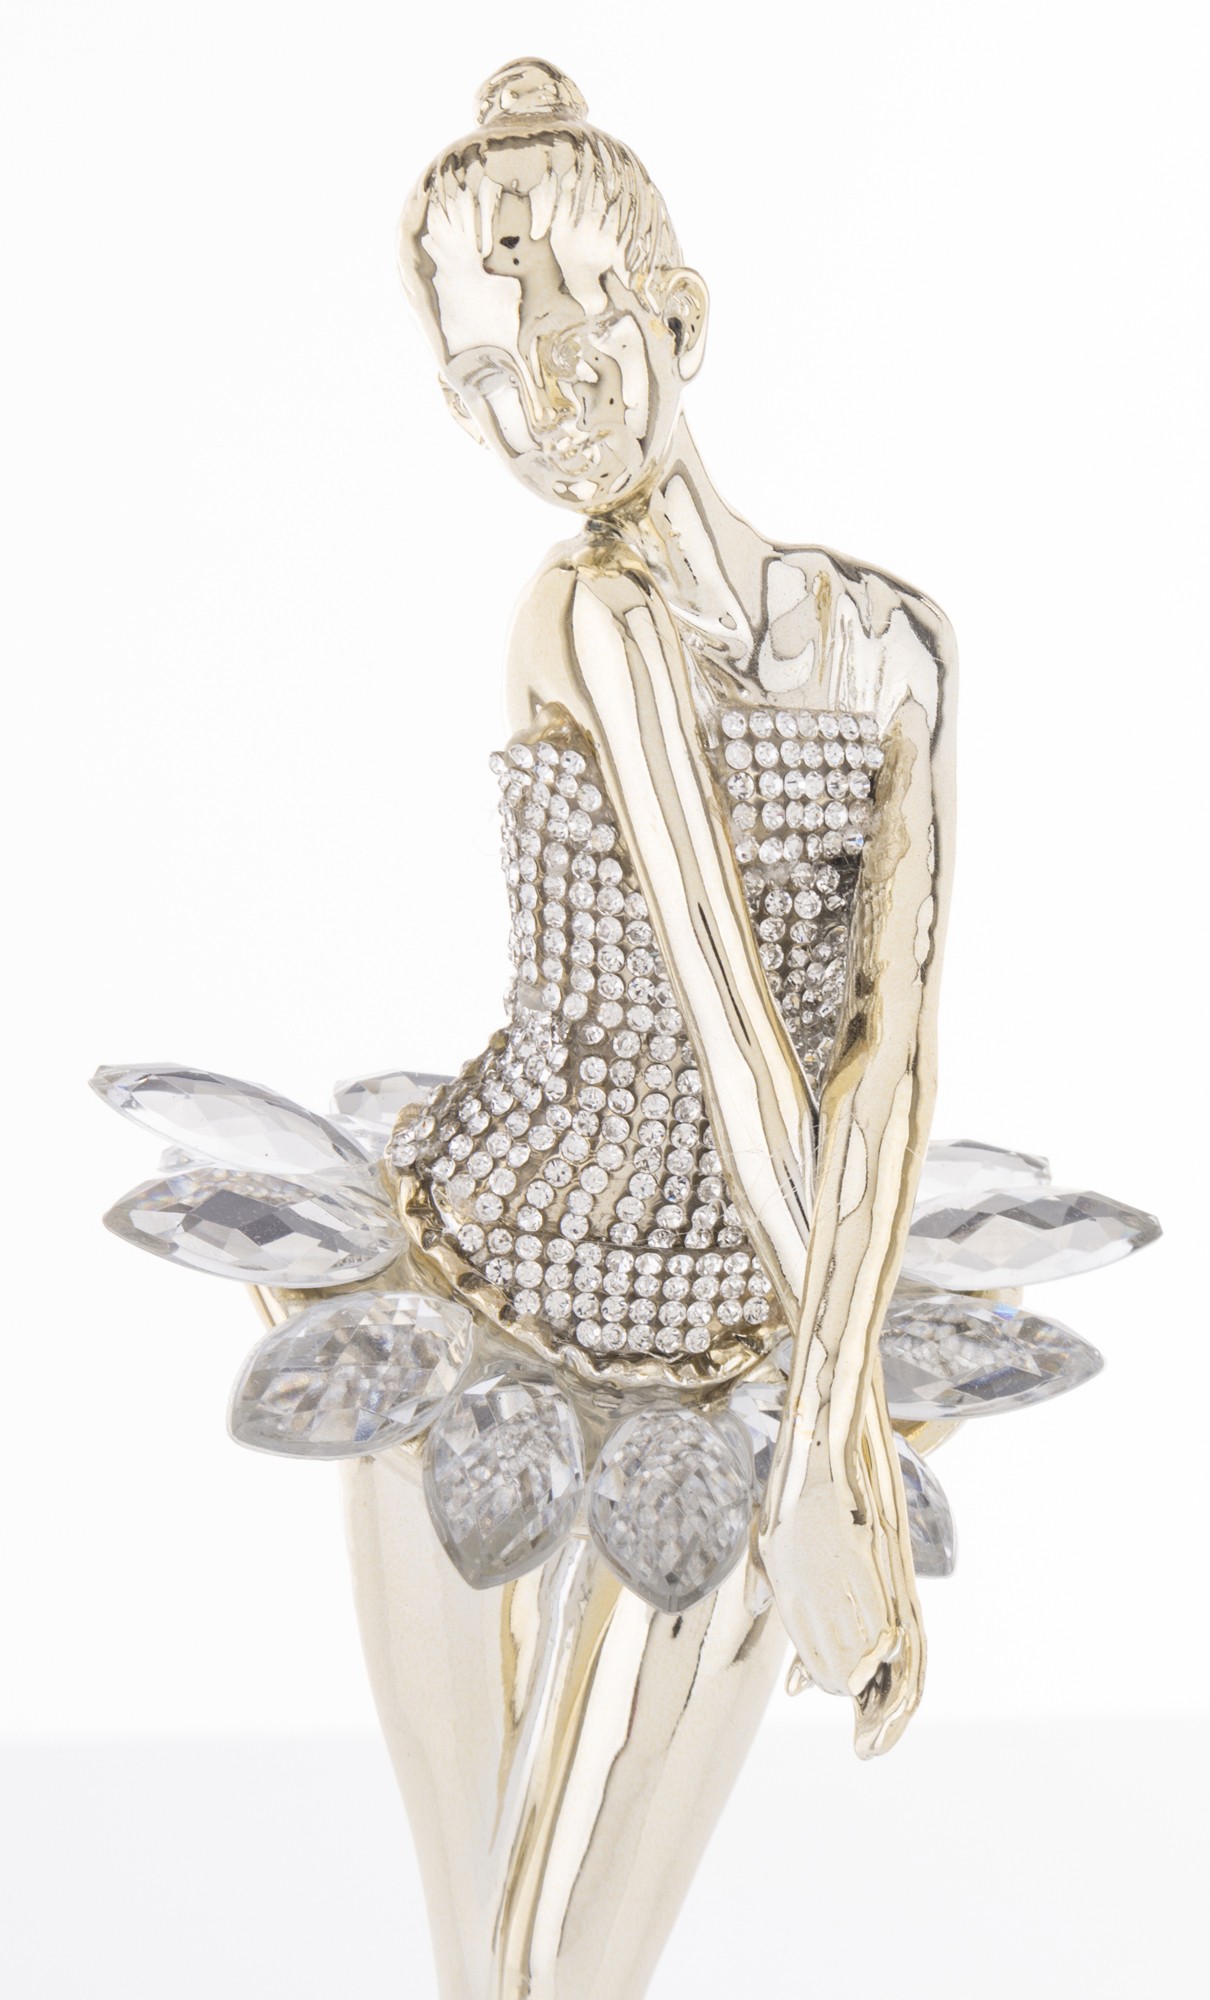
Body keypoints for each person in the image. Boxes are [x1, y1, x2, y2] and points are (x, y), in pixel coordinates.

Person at [348, 55, 955, 1997]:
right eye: (479, 378)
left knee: (581, 1947)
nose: (538, 411)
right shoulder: (585, 612)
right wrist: (832, 1460)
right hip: (508, 1265)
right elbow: (721, 1018)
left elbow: (885, 1047)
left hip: (760, 1309)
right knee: (490, 1943)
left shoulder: (890, 644)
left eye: (569, 339)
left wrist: (827, 1427)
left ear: (674, 313)